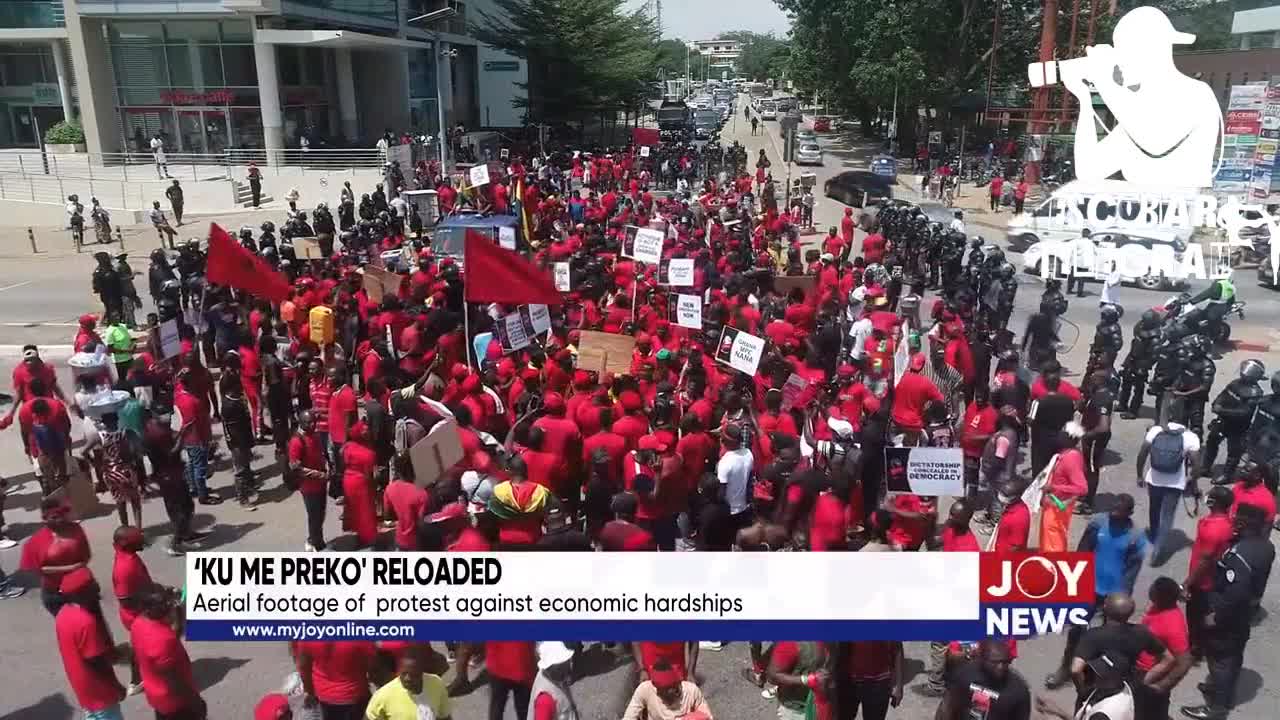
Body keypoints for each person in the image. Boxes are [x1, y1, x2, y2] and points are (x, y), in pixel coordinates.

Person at [1180, 504, 1275, 720]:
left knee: (1220, 659)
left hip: (1228, 616)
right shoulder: (1267, 546)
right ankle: (1224, 693)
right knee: (1233, 655)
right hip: (1245, 613)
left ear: (1241, 523)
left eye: (1235, 520)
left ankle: (1217, 708)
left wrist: (1216, 615)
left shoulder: (1238, 554)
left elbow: (1236, 592)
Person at [1046, 494, 1149, 689]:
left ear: (1129, 514)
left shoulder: (1136, 538)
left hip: (1112, 596)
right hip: (1088, 588)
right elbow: (1083, 551)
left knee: (1103, 637)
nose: (1113, 516)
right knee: (1076, 631)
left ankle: (1095, 676)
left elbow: (1131, 572)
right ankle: (1066, 669)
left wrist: (1121, 597)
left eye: (1118, 513)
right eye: (1112, 511)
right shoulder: (1097, 524)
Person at [54, 567, 127, 720]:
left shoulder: (63, 613)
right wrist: (116, 686)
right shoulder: (86, 622)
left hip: (82, 686)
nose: (97, 586)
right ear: (81, 593)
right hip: (98, 689)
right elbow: (96, 661)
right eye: (92, 584)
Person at [131, 586, 206, 719]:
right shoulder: (164, 640)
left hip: (157, 697)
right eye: (168, 604)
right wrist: (195, 702)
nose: (171, 606)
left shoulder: (138, 624)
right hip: (176, 704)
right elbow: (174, 681)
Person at [1135, 417, 1200, 565]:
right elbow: (1197, 465)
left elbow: (1142, 454)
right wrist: (1192, 480)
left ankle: (1153, 533)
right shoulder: (1190, 437)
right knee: (1167, 516)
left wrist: (1139, 475)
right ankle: (1158, 548)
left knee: (1154, 508)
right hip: (1175, 483)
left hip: (1154, 480)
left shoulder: (1156, 430)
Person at [1133, 577, 1192, 720]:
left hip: (1151, 674)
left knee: (1149, 713)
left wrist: (1162, 686)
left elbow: (1185, 662)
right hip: (1139, 670)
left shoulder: (1173, 626)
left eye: (1154, 590)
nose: (1150, 589)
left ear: (1163, 597)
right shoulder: (1158, 607)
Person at [935, 640, 1029, 720]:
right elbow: (948, 707)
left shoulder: (1018, 690)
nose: (1000, 667)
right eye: (994, 662)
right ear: (982, 659)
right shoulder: (964, 674)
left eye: (1004, 662)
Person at [297, 638, 378, 719]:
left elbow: (304, 667)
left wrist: (309, 691)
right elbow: (373, 665)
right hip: (355, 694)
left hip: (324, 696)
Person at [365, 654, 452, 720]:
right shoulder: (383, 694)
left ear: (422, 672)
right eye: (403, 673)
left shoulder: (436, 683)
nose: (407, 678)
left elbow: (444, 716)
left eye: (413, 675)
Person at [289, 410, 329, 551]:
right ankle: (313, 541)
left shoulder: (315, 436)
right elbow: (297, 468)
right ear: (301, 423)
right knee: (314, 515)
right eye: (309, 422)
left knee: (321, 513)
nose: (312, 424)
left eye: (314, 421)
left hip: (321, 484)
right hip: (309, 487)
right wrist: (319, 475)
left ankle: (318, 539)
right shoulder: (296, 441)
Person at [622, 660, 713, 720]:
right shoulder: (645, 689)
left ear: (677, 685)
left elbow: (707, 716)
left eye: (668, 691)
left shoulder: (692, 691)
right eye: (660, 691)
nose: (660, 693)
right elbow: (629, 716)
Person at [717, 423, 754, 529]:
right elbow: (749, 481)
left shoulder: (725, 462)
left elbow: (721, 492)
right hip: (744, 508)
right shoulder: (748, 454)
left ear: (725, 441)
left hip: (729, 510)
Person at [529, 641, 578, 720]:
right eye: (565, 663)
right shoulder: (545, 701)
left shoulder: (557, 679)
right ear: (552, 668)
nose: (570, 665)